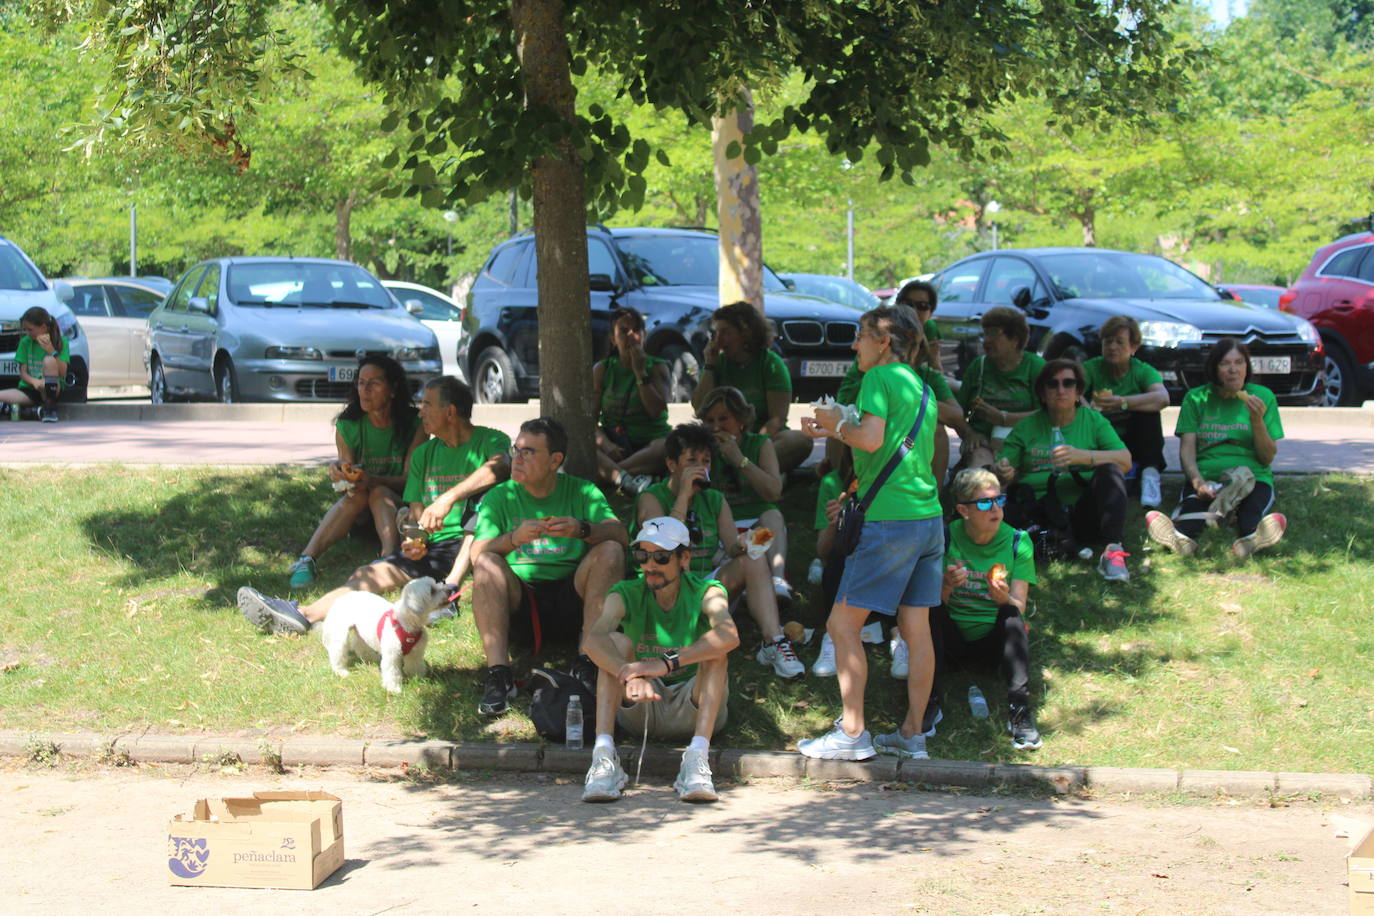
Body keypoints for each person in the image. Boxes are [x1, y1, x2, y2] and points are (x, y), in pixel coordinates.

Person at [238, 377, 510, 634]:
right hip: (435, 547)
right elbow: (416, 509)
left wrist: (447, 499)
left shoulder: (490, 440)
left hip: (473, 543)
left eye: (427, 405)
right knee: (366, 574)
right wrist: (416, 540)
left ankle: (449, 590)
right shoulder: (424, 454)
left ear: (450, 412)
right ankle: (303, 614)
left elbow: (500, 468)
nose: (420, 413)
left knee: (486, 504)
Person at [798, 305, 944, 761]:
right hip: (927, 519)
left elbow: (872, 439)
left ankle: (853, 732)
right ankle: (912, 734)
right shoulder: (920, 386)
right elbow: (894, 450)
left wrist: (833, 425)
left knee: (842, 625)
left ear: (884, 341)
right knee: (916, 630)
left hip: (891, 523)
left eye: (861, 335)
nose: (854, 344)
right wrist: (839, 432)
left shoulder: (878, 379)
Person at [469, 417, 629, 716]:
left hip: (573, 597)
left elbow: (621, 535)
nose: (517, 458)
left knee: (610, 550)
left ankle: (587, 663)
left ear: (555, 460)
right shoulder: (499, 496)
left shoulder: (582, 492)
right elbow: (476, 553)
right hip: (522, 600)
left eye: (529, 452)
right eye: (516, 449)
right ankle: (499, 675)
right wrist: (513, 539)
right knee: (488, 561)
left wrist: (583, 529)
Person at [580, 516, 739, 803]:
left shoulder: (707, 592)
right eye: (642, 555)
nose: (650, 565)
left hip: (692, 703)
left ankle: (697, 760)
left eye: (662, 557)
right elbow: (593, 640)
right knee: (613, 642)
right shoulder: (626, 592)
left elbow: (729, 635)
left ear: (684, 558)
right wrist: (631, 674)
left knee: (716, 651)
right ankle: (604, 757)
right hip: (641, 703)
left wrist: (666, 664)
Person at [636, 423, 804, 679]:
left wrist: (746, 543)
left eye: (706, 461)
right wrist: (683, 496)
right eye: (691, 460)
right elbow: (661, 549)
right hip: (665, 589)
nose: (700, 467)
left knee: (753, 561)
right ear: (672, 465)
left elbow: (731, 547)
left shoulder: (714, 499)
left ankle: (774, 641)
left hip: (705, 587)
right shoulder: (651, 497)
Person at [286, 356, 427, 588]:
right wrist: (340, 474)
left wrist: (372, 480)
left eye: (374, 383)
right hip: (361, 514)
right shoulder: (348, 425)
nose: (365, 390)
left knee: (379, 491)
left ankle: (389, 558)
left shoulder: (416, 424)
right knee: (358, 493)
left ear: (393, 389)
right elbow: (348, 482)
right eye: (361, 383)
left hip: (401, 509)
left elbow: (410, 480)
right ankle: (307, 559)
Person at [1145, 337, 1287, 559]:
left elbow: (1267, 457)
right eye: (1225, 364)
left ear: (1247, 367)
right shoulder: (1196, 398)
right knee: (1194, 512)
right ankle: (1179, 538)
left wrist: (1257, 421)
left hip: (1253, 477)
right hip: (1208, 476)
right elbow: (1187, 451)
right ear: (1214, 368)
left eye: (1239, 363)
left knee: (1250, 512)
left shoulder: (1263, 397)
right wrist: (1197, 482)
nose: (1233, 370)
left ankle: (1252, 539)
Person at [994, 359, 1134, 581]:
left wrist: (1084, 457)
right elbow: (1001, 468)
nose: (1061, 390)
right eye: (1053, 384)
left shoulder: (1093, 420)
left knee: (1111, 471)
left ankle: (1113, 551)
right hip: (1040, 514)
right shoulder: (1026, 426)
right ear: (1042, 392)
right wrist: (1004, 471)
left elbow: (1125, 460)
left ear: (1078, 392)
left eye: (1068, 383)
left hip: (1083, 513)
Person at [931, 468, 1041, 750]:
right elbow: (928, 602)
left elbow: (1019, 606)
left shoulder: (1018, 541)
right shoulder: (944, 537)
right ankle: (927, 703)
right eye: (984, 502)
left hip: (993, 645)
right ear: (962, 510)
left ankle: (1019, 711)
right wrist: (945, 587)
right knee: (928, 612)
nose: (994, 508)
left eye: (999, 500)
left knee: (1012, 615)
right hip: (950, 642)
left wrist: (1003, 599)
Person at [690, 301, 812, 474]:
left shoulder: (771, 364)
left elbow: (777, 419)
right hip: (721, 437)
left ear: (746, 334)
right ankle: (754, 474)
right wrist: (709, 365)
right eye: (716, 332)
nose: (718, 340)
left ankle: (740, 472)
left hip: (762, 441)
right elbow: (699, 408)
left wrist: (752, 448)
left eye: (725, 332)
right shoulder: (717, 363)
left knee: (800, 440)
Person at [696, 386, 793, 602]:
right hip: (721, 535)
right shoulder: (701, 451)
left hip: (757, 530)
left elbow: (774, 492)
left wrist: (740, 460)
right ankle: (747, 583)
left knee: (774, 517)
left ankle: (777, 583)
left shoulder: (759, 444)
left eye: (723, 418)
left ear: (741, 419)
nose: (716, 426)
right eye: (709, 421)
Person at [1081, 316, 1170, 508]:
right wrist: (1087, 410)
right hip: (1101, 438)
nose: (1112, 347)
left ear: (1133, 347)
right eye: (1108, 341)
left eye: (1119, 342)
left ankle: (1150, 474)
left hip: (1134, 440)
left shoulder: (1142, 371)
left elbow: (1162, 398)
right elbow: (1073, 390)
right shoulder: (1091, 368)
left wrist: (1122, 402)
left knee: (1149, 413)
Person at [956, 306, 1047, 469]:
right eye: (985, 334)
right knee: (982, 477)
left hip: (1026, 442)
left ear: (1015, 340)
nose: (986, 341)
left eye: (994, 334)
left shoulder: (1036, 367)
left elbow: (1048, 414)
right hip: (983, 444)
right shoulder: (979, 366)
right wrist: (970, 433)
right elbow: (957, 412)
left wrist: (1004, 419)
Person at [593, 307, 671, 494]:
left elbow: (656, 411)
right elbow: (590, 420)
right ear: (613, 339)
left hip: (650, 443)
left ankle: (613, 473)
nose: (631, 335)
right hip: (615, 443)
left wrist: (640, 372)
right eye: (623, 331)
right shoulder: (602, 369)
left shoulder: (658, 367)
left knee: (667, 446)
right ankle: (630, 479)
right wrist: (607, 445)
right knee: (581, 443)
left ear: (644, 335)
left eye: (637, 330)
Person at [0, 306, 67, 423]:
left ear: (43, 327)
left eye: (30, 330)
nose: (27, 333)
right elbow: (23, 373)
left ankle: (50, 409)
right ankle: (31, 411)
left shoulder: (61, 342)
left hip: (51, 389)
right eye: (25, 329)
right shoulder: (25, 342)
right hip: (29, 389)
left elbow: (62, 372)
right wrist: (35, 382)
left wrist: (51, 350)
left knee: (49, 360)